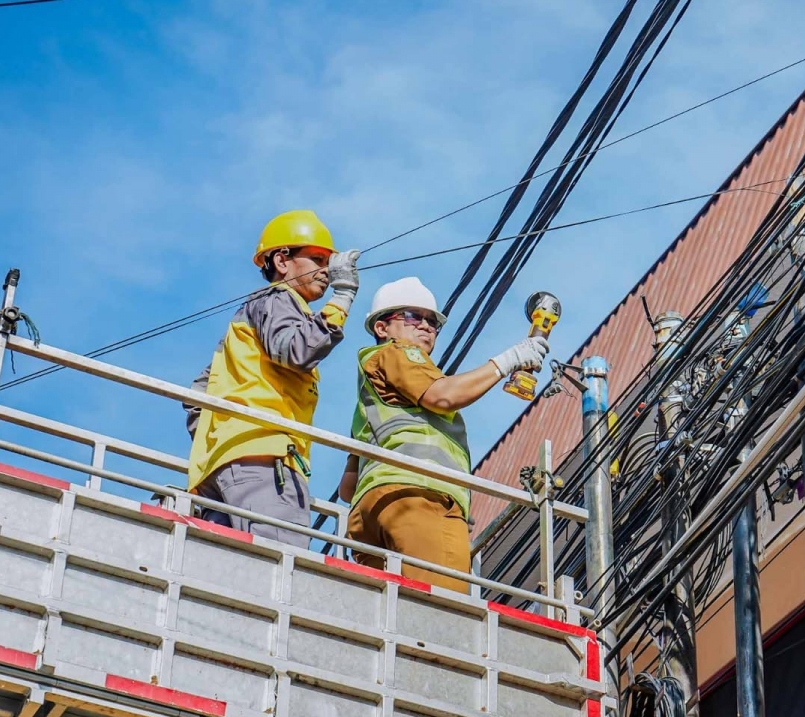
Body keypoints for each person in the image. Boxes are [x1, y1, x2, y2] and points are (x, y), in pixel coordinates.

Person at [338, 277, 549, 591]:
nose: (425, 326)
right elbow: (443, 396)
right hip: (418, 499)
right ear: (382, 329)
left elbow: (347, 489)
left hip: (370, 513)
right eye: (411, 316)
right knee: (440, 614)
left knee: (387, 618)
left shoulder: (369, 402)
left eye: (432, 321)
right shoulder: (399, 354)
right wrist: (509, 360)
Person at [185, 210, 360, 547]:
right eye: (317, 259)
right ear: (282, 261)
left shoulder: (247, 320)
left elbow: (197, 394)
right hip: (264, 464)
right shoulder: (280, 300)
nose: (326, 271)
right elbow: (297, 350)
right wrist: (343, 297)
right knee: (277, 570)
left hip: (222, 468)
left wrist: (224, 440)